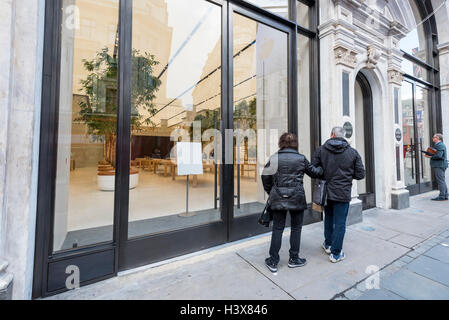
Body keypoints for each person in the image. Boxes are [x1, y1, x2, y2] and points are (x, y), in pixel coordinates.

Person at [261, 133, 323, 273]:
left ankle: (273, 261)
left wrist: (271, 191)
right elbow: (315, 173)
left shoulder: (274, 158)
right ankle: (294, 259)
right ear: (296, 143)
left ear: (281, 142)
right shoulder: (301, 159)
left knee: (278, 228)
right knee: (296, 228)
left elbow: (265, 176)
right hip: (297, 197)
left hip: (278, 197)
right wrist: (323, 164)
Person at [312, 127, 365, 263]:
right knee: (340, 223)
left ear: (331, 135)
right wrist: (347, 176)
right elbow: (360, 174)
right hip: (343, 193)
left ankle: (328, 244)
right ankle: (336, 254)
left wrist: (324, 173)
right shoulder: (353, 153)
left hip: (327, 192)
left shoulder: (321, 150)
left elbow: (314, 170)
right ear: (343, 136)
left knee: (328, 218)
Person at [426, 133, 448, 201]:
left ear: (438, 138)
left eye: (434, 137)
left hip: (439, 165)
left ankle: (441, 196)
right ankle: (445, 195)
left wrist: (430, 156)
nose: (433, 138)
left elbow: (439, 156)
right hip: (440, 165)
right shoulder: (438, 145)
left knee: (440, 181)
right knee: (442, 180)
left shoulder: (440, 145)